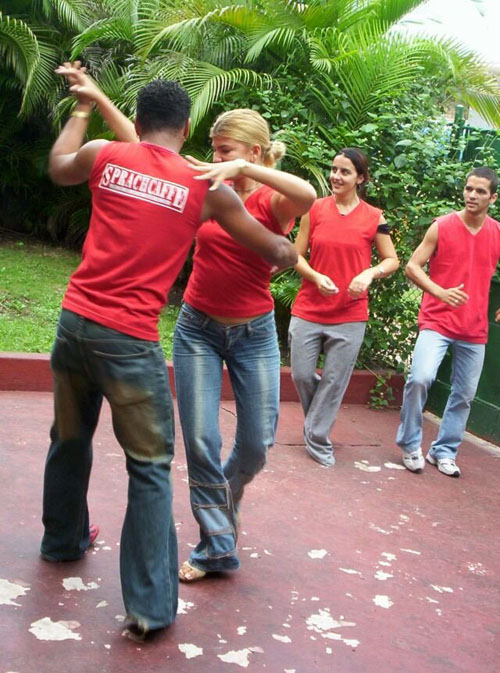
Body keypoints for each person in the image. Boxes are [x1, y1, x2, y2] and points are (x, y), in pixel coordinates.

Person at [40, 64, 297, 635]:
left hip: (75, 324)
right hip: (129, 343)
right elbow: (277, 252)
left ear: (137, 121)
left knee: (70, 436)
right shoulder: (205, 188)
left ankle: (62, 542)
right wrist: (281, 223)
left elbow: (59, 167)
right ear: (186, 132)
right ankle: (150, 608)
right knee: (151, 467)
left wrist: (82, 108)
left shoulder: (106, 155)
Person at [172, 109, 317, 582]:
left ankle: (224, 502)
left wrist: (244, 170)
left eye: (225, 152)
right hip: (197, 328)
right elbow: (148, 147)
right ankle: (216, 541)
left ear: (254, 153)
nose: (216, 159)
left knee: (256, 444)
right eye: (215, 150)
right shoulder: (210, 186)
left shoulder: (273, 201)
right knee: (200, 438)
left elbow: (309, 195)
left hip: (253, 335)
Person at [288, 148, 399, 467]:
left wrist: (369, 273)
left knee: (335, 380)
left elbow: (391, 260)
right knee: (302, 374)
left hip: (350, 315)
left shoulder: (374, 217)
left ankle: (318, 438)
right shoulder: (314, 209)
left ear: (360, 178)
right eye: (334, 170)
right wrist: (315, 275)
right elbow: (297, 255)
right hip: (309, 308)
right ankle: (321, 415)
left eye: (345, 172)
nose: (336, 176)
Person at [397, 167, 500, 478]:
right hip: (437, 322)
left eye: (480, 191)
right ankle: (411, 445)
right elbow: (412, 267)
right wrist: (439, 291)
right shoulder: (442, 226)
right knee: (420, 378)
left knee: (464, 394)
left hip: (474, 329)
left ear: (492, 198)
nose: (472, 195)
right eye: (469, 188)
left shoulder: (496, 232)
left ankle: (444, 451)